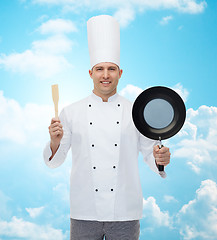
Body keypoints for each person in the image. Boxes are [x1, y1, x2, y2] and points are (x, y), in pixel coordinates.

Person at [43, 15, 171, 240]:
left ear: (120, 74)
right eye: (99, 69)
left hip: (125, 211)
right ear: (90, 73)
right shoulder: (70, 112)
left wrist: (160, 159)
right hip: (84, 210)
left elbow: (150, 153)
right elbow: (56, 161)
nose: (105, 75)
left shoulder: (136, 111)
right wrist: (54, 142)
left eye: (111, 69)